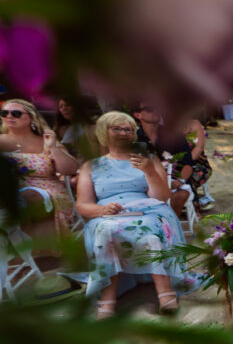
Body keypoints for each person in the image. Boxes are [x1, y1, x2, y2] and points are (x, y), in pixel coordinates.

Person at [74, 112, 199, 317]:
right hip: (108, 214)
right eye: (117, 128)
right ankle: (107, 301)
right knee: (106, 231)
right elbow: (83, 205)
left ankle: (165, 295)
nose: (124, 132)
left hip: (148, 208)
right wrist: (101, 210)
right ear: (103, 132)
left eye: (128, 129)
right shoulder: (91, 166)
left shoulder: (148, 159)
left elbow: (162, 197)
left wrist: (149, 171)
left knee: (151, 229)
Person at [0, 98, 80, 244]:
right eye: (4, 113)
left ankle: (34, 252)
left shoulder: (46, 140)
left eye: (16, 113)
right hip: (10, 190)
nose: (9, 116)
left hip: (46, 188)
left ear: (31, 117)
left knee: (27, 196)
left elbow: (70, 170)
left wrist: (53, 148)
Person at [133, 103, 192, 216]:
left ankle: (170, 226)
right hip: (146, 183)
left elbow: (188, 164)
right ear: (137, 115)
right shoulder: (135, 138)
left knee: (180, 195)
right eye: (150, 108)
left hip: (174, 181)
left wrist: (180, 180)